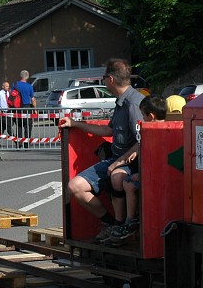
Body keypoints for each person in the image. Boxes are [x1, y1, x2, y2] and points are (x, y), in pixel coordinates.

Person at [58, 59, 146, 243]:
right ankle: (111, 223)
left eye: (104, 78)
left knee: (116, 176)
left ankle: (124, 225)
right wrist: (75, 124)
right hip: (117, 158)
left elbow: (143, 141)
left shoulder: (134, 105)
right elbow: (108, 131)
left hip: (134, 163)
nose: (103, 81)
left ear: (111, 79)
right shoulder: (121, 102)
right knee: (76, 187)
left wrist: (118, 162)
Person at [104, 94, 168, 247]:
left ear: (150, 116)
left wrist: (142, 174)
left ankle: (130, 221)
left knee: (129, 183)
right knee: (128, 181)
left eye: (143, 115)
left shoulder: (153, 132)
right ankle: (130, 220)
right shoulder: (167, 130)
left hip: (157, 176)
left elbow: (156, 159)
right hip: (156, 174)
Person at [13, 70, 36, 148]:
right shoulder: (29, 86)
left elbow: (11, 96)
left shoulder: (15, 84)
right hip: (27, 107)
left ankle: (19, 144)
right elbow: (33, 99)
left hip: (17, 108)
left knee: (19, 125)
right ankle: (26, 144)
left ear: (20, 76)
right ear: (27, 77)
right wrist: (35, 109)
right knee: (28, 126)